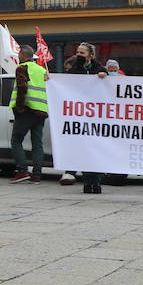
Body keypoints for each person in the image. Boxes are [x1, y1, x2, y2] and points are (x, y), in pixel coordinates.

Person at [60, 42, 107, 192]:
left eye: (82, 53)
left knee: (97, 149)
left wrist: (103, 75)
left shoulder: (98, 67)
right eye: (78, 52)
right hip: (80, 116)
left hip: (97, 116)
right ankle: (87, 181)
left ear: (91, 56)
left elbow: (106, 78)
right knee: (84, 149)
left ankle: (97, 181)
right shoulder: (74, 68)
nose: (79, 55)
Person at [9, 44, 48, 184]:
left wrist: (19, 108)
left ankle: (22, 171)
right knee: (37, 143)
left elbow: (22, 87)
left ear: (22, 56)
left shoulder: (22, 68)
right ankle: (37, 175)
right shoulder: (42, 70)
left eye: (19, 54)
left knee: (16, 140)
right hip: (41, 110)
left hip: (27, 110)